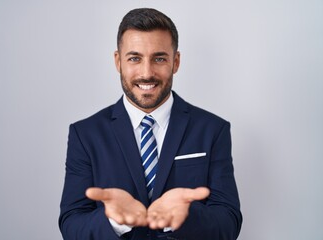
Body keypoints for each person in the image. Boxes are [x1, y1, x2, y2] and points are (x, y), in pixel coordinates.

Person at [59, 8, 242, 240]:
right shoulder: (85, 135)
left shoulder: (213, 130)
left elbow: (229, 223)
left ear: (175, 62)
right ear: (118, 61)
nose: (147, 73)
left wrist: (185, 216)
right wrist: (115, 220)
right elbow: (71, 225)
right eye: (135, 58)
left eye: (159, 58)